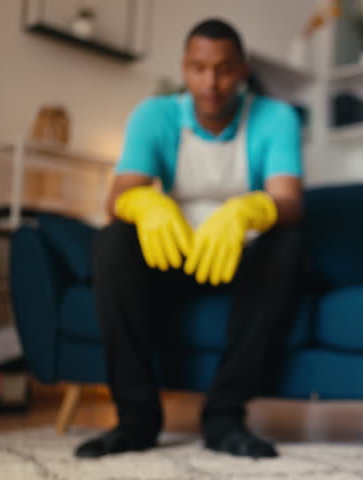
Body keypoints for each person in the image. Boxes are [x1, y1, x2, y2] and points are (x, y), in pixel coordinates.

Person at [75, 18, 303, 459]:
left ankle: (224, 418)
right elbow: (118, 196)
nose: (210, 83)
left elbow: (289, 199)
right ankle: (135, 421)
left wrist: (247, 209)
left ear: (243, 70)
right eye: (199, 69)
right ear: (184, 68)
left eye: (224, 69)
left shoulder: (275, 118)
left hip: (241, 260)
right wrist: (146, 204)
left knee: (288, 244)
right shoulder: (154, 116)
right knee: (113, 240)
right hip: (172, 256)